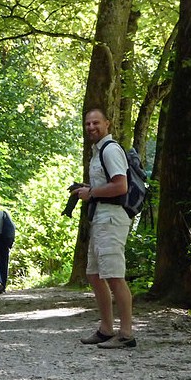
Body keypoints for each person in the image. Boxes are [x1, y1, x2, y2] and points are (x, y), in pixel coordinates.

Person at [72, 108, 136, 349]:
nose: (91, 127)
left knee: (114, 275)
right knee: (94, 274)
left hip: (112, 218)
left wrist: (92, 193)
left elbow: (121, 186)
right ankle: (106, 329)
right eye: (87, 123)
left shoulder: (110, 150)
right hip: (100, 218)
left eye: (95, 123)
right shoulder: (97, 152)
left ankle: (126, 333)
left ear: (107, 124)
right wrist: (89, 189)